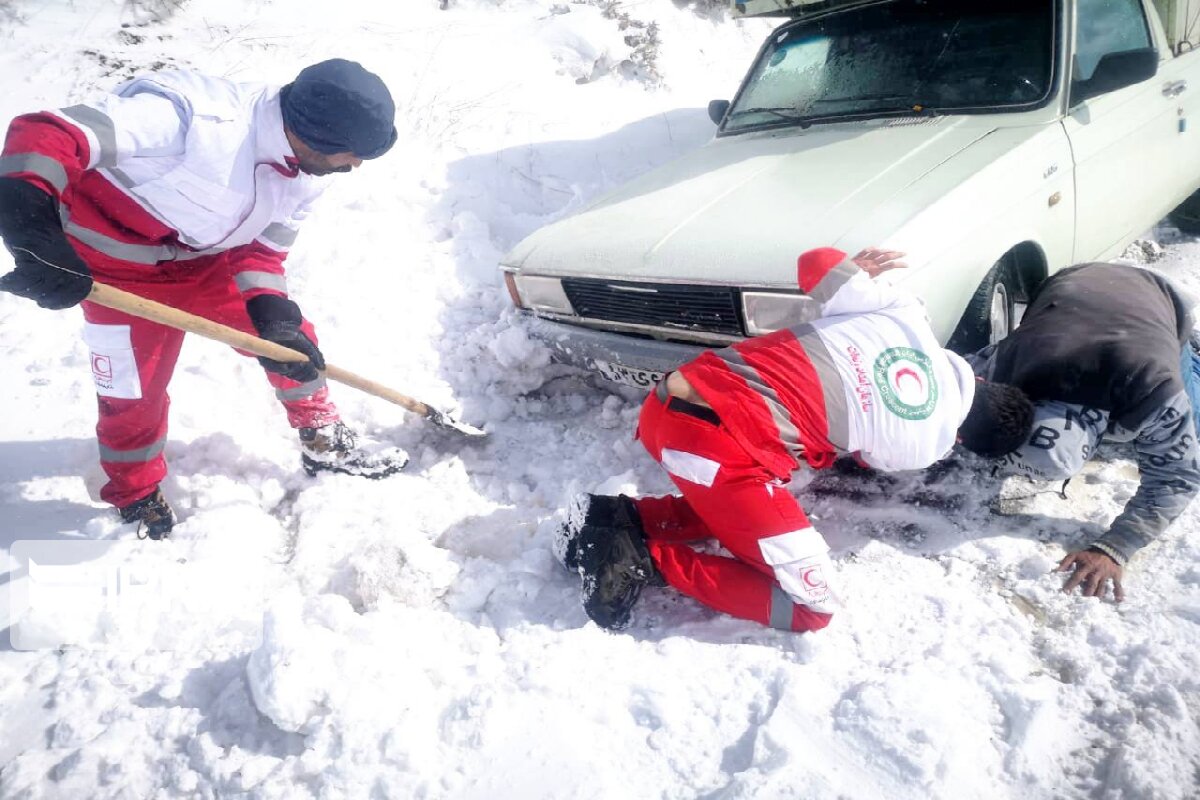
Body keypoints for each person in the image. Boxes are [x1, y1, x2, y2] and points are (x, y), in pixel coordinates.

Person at [0, 59, 409, 540]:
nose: (355, 165)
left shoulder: (309, 175)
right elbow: (48, 133)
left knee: (293, 346)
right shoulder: (192, 120)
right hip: (114, 271)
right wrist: (34, 234)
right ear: (315, 135)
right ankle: (135, 494)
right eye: (352, 153)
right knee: (131, 392)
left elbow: (261, 249)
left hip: (204, 261)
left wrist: (272, 314)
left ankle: (322, 434)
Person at [556, 247, 1035, 631]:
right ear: (961, 440)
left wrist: (855, 271)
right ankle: (644, 559)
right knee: (810, 610)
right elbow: (866, 456)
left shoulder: (906, 314)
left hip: (665, 406)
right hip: (712, 448)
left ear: (982, 381)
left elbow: (815, 263)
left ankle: (619, 517)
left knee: (749, 505)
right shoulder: (929, 442)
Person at [962, 262, 1200, 602]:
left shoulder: (1154, 394)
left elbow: (1178, 477)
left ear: (1098, 440)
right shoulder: (1006, 364)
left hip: (1157, 298)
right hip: (1076, 281)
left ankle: (1189, 353)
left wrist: (1115, 547)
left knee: (1196, 421)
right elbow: (951, 384)